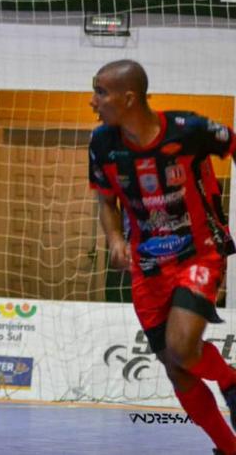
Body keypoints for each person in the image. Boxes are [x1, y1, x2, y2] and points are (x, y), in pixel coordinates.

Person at [88, 59, 236, 454]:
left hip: (199, 253)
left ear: (129, 97)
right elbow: (105, 201)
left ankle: (229, 380)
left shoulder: (190, 131)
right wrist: (116, 237)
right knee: (176, 368)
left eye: (100, 92)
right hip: (147, 265)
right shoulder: (103, 144)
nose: (93, 101)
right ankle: (228, 447)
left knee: (183, 347)